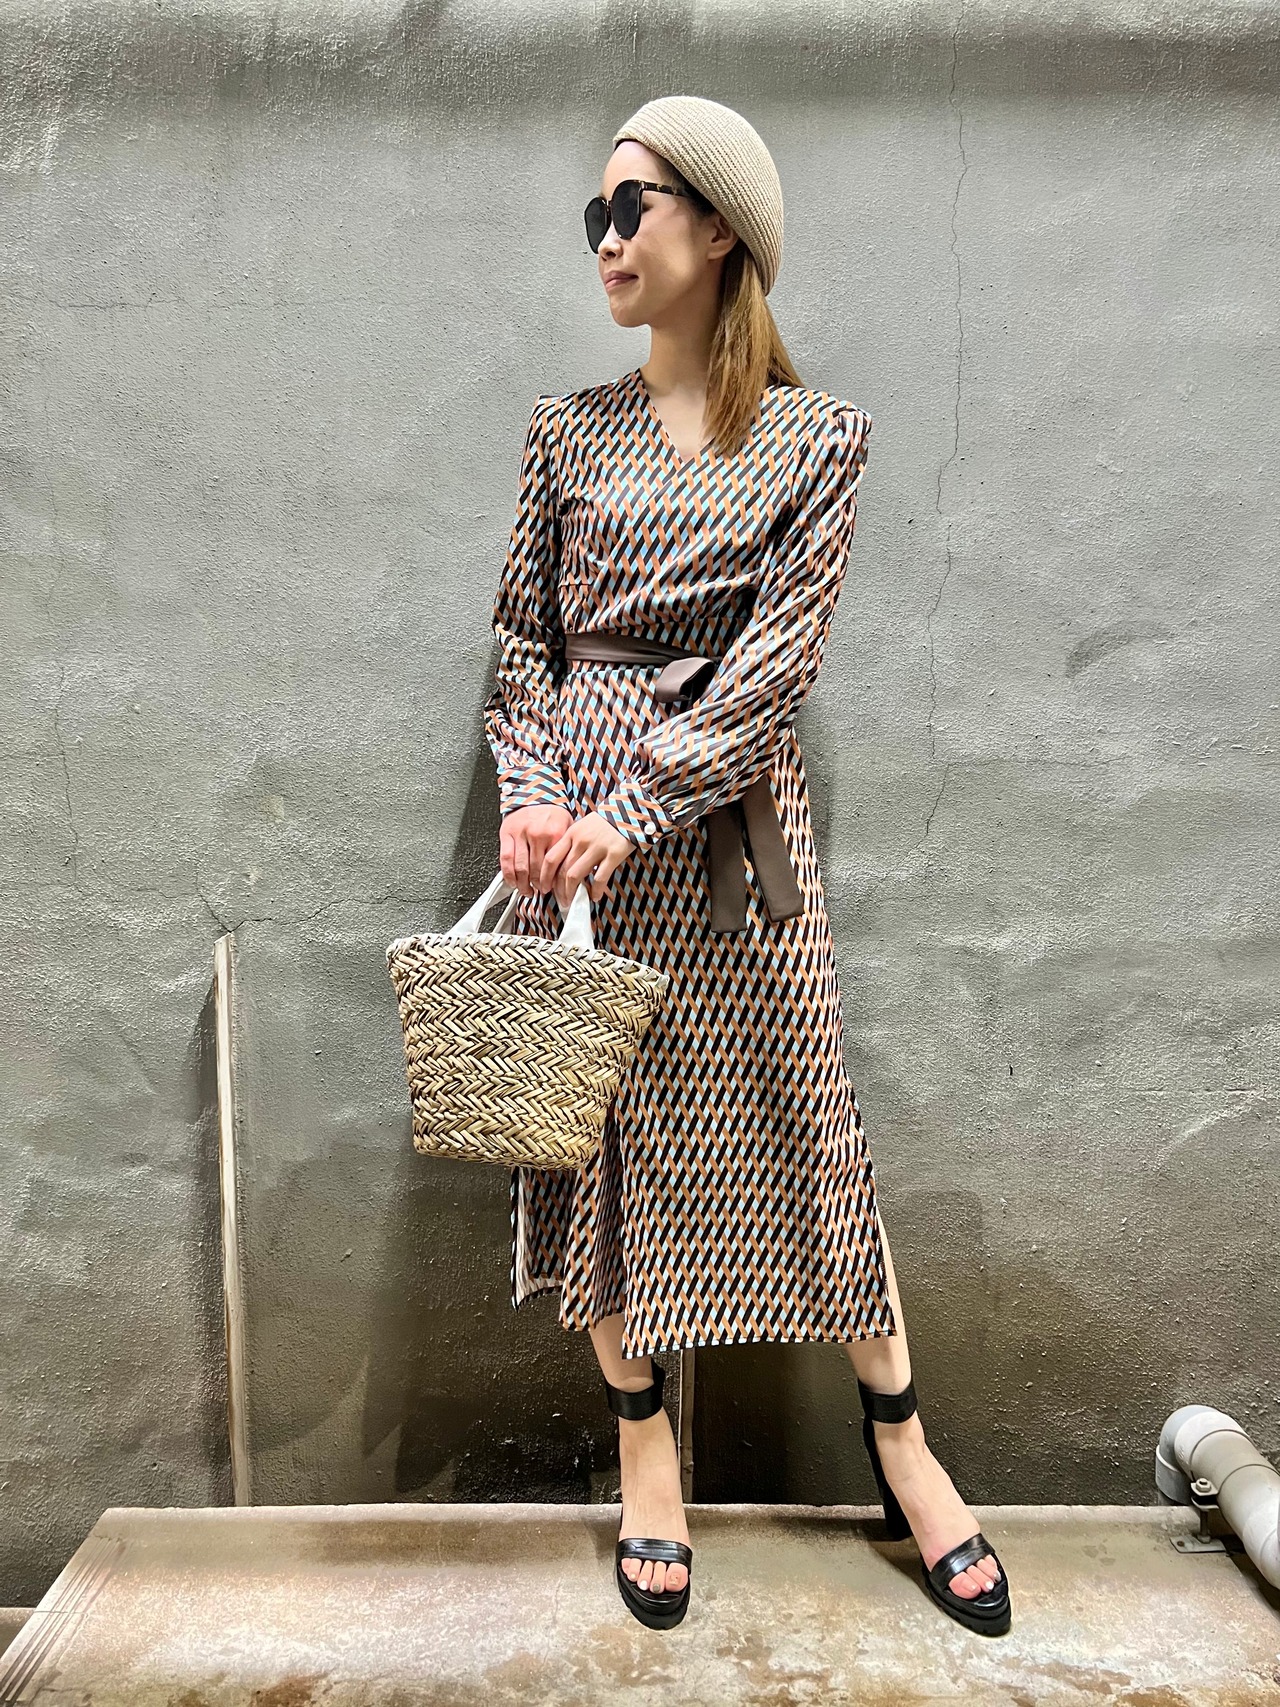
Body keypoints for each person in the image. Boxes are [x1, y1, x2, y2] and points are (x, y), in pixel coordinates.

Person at [482, 93, 1011, 1638]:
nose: (605, 241)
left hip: (726, 842)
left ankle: (903, 1445)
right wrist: (535, 798)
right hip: (575, 853)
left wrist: (634, 800)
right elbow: (520, 646)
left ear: (718, 229)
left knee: (809, 1121)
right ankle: (646, 1446)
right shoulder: (563, 432)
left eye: (629, 209)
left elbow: (777, 667)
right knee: (598, 1143)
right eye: (594, 215)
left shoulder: (819, 440)